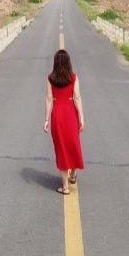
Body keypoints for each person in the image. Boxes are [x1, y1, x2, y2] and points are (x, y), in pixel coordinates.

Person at [44, 49, 85, 195]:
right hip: (70, 113)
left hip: (57, 115)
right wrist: (81, 117)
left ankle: (65, 187)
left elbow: (49, 99)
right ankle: (73, 174)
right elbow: (77, 98)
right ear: (68, 63)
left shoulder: (50, 78)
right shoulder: (73, 77)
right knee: (73, 145)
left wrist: (46, 119)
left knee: (61, 148)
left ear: (55, 63)